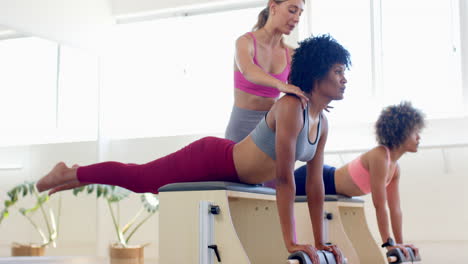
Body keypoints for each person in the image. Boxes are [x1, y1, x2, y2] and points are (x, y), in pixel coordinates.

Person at [36, 34, 350, 264]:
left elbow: (314, 185)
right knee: (141, 178)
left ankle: (75, 175)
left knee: (142, 179)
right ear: (317, 72)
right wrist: (291, 241)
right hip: (213, 159)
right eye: (337, 72)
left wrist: (322, 242)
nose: (344, 79)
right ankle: (72, 172)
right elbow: (284, 179)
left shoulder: (321, 124)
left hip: (238, 172)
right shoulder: (291, 108)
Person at [294, 101, 424, 259]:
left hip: (327, 184)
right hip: (316, 178)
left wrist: (400, 243)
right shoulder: (380, 156)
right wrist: (389, 244)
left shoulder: (395, 168)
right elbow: (380, 205)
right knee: (272, 197)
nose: (419, 137)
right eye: (415, 132)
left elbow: (395, 209)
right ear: (401, 132)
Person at [225, 0, 309, 143]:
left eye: (300, 14)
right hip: (240, 129)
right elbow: (248, 70)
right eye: (292, 10)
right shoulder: (245, 42)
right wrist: (280, 84)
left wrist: (318, 98)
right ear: (273, 7)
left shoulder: (291, 53)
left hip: (271, 129)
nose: (296, 19)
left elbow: (299, 91)